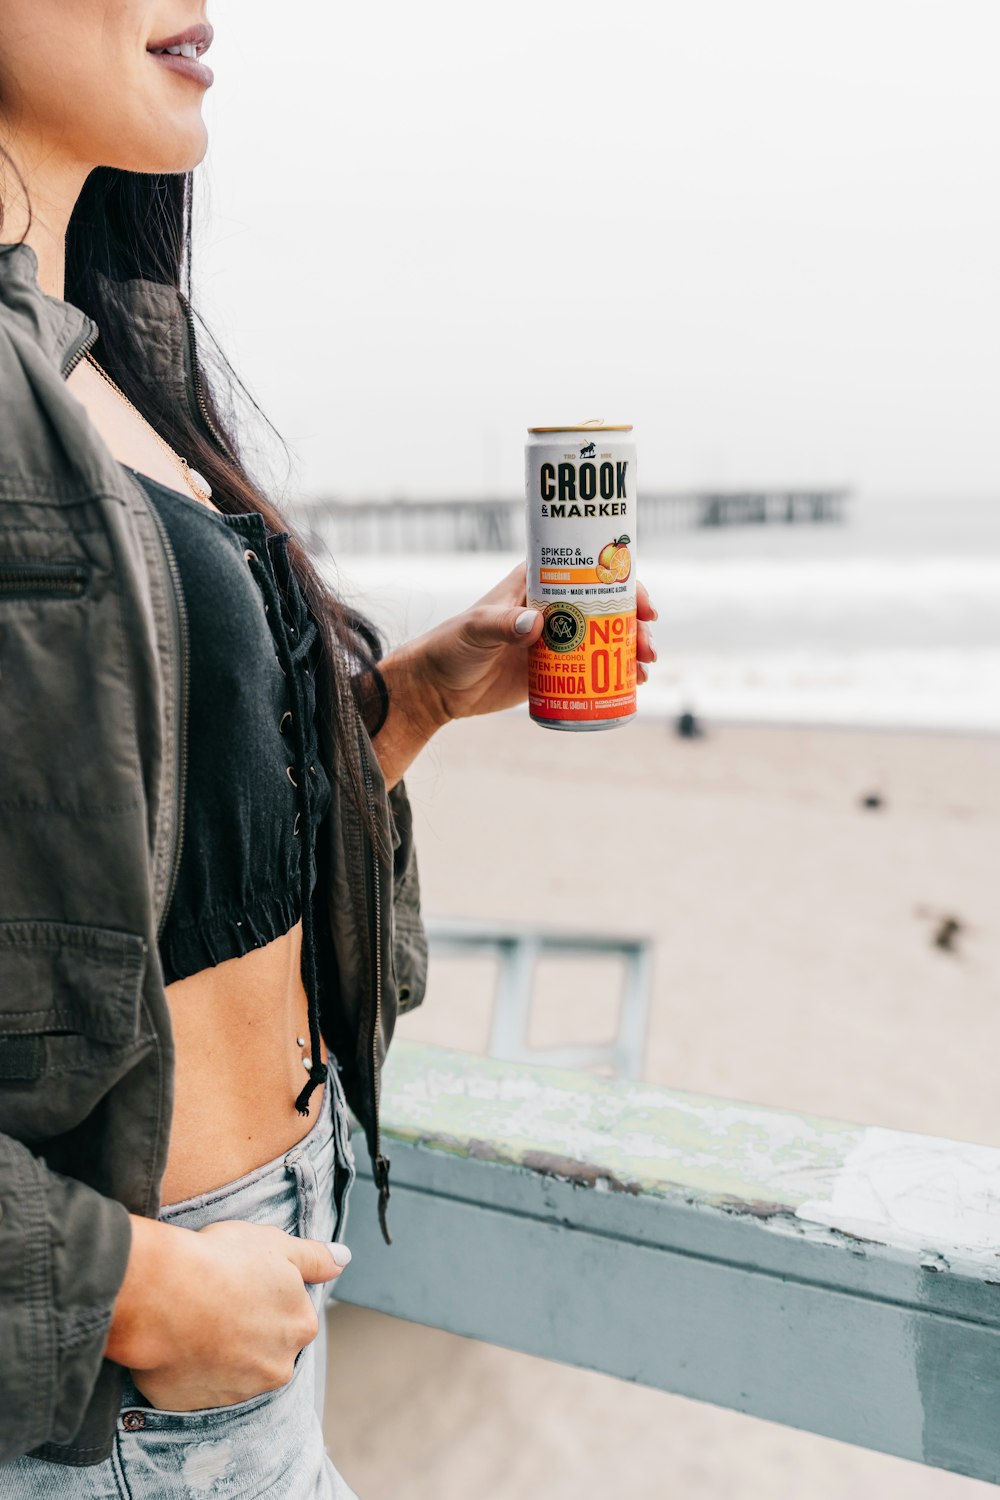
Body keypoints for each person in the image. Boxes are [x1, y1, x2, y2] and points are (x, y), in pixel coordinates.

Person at [0, 3, 657, 1494]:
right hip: (110, 1378)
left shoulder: (100, 351)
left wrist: (411, 700)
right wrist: (128, 1290)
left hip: (252, 1305)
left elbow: (128, 841)